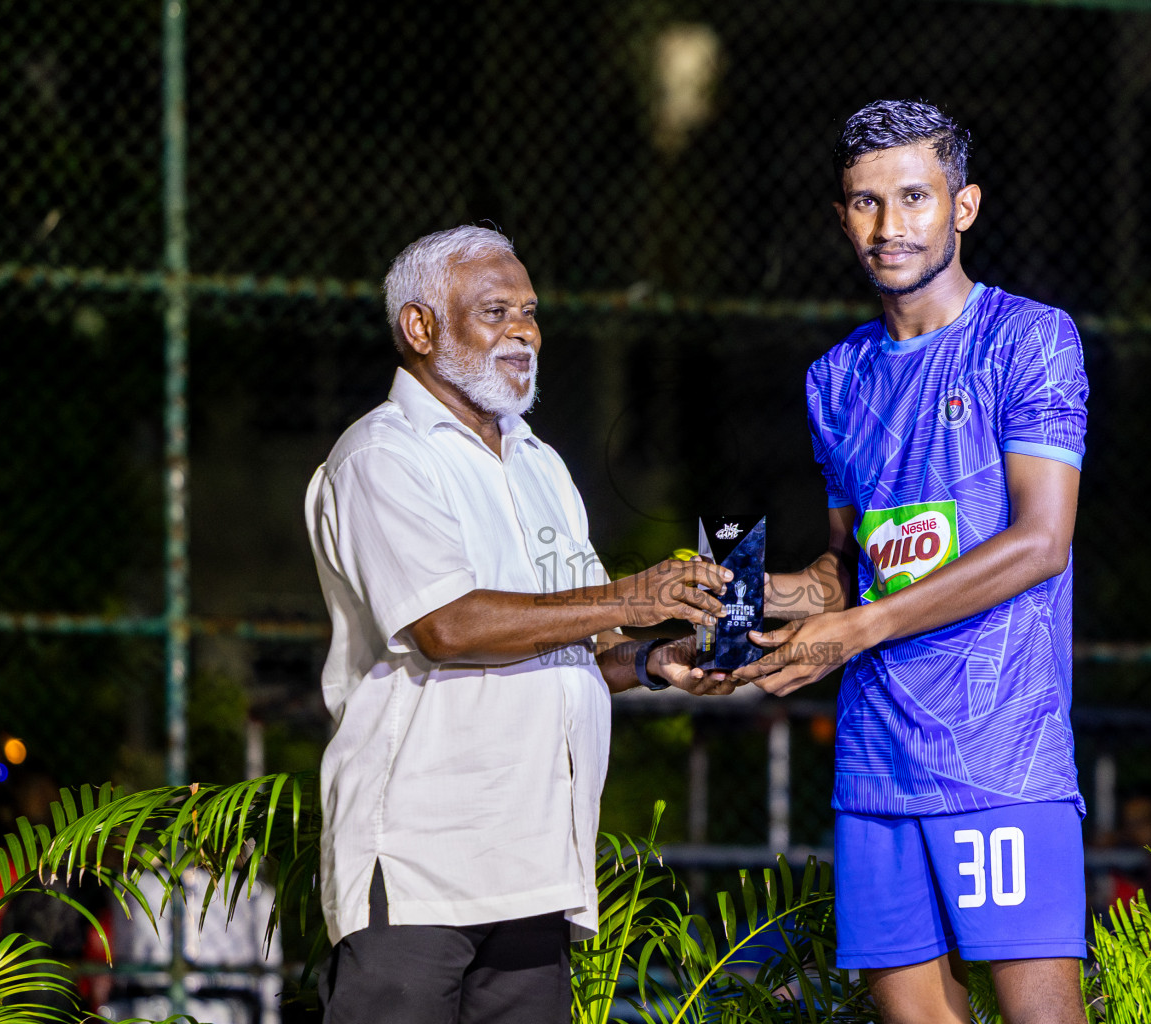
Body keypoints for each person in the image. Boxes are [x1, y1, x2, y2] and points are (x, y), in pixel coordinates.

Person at [305, 225, 734, 1024]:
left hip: (534, 867)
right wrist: (629, 600)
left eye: (530, 312)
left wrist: (646, 661)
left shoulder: (540, 463)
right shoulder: (381, 457)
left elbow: (569, 642)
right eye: (495, 310)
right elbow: (448, 627)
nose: (525, 332)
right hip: (420, 867)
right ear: (420, 328)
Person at [735, 101, 1090, 1024]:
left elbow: (1041, 541)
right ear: (841, 214)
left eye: (914, 198)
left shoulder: (1030, 340)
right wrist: (731, 595)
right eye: (864, 203)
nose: (889, 228)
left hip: (1001, 754)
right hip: (875, 763)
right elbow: (853, 568)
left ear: (963, 206)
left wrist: (857, 627)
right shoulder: (835, 378)